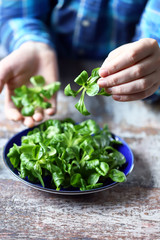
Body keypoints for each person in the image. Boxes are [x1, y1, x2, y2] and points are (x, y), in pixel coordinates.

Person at [0, 0, 160, 127]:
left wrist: (151, 64)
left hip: (133, 100)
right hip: (54, 71)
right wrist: (31, 43)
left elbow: (155, 36)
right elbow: (18, 15)